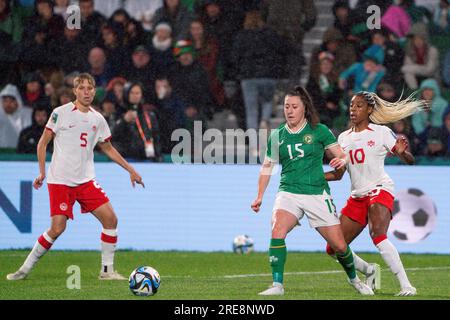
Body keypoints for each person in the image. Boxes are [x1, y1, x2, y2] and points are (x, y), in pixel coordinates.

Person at [6, 73, 145, 281]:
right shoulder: (60, 113)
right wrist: (42, 172)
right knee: (57, 228)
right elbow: (42, 143)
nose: (87, 92)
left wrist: (130, 170)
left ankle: (107, 272)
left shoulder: (97, 119)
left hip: (86, 180)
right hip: (60, 180)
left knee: (111, 219)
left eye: (90, 88)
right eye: (82, 88)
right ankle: (24, 270)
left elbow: (107, 147)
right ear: (75, 90)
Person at [251, 86, 374, 296]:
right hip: (288, 191)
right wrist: (260, 195)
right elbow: (267, 167)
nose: (289, 111)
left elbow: (342, 156)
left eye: (294, 106)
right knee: (277, 228)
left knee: (339, 246)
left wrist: (339, 160)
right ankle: (277, 285)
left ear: (304, 108)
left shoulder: (319, 131)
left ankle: (355, 279)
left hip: (317, 193)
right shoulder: (277, 135)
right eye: (286, 106)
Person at [324, 91, 428, 296]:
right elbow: (339, 174)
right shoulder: (343, 138)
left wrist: (401, 153)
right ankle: (369, 271)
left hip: (380, 188)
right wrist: (317, 177)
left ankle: (407, 285)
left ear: (370, 109)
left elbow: (410, 160)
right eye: (352, 105)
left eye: (359, 106)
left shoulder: (380, 132)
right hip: (357, 196)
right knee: (333, 248)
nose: (353, 109)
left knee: (378, 234)